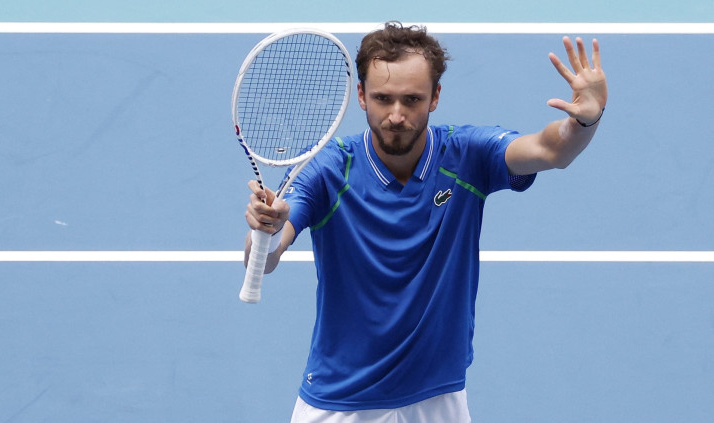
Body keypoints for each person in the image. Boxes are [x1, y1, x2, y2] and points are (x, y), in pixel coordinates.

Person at [243, 21, 608, 423]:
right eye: (383, 99)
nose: (396, 115)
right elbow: (268, 255)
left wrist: (583, 122)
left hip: (438, 396)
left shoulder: (468, 155)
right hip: (340, 399)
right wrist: (267, 231)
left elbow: (550, 150)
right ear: (361, 95)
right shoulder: (329, 170)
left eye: (412, 99)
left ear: (435, 97)